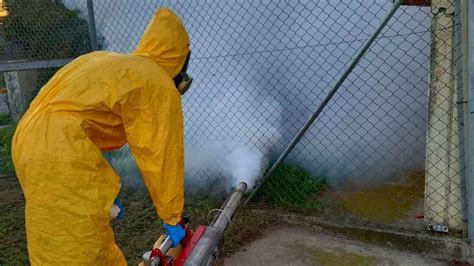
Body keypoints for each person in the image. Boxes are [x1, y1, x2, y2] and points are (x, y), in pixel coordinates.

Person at [11, 8, 191, 265]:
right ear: (179, 63)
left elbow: (82, 118)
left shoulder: (110, 61)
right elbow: (161, 157)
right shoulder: (157, 83)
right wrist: (173, 217)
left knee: (55, 232)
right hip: (60, 146)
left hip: (27, 137)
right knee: (81, 248)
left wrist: (95, 183)